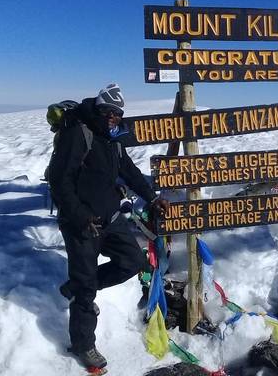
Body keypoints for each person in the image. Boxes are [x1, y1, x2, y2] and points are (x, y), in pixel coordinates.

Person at [48, 83, 171, 369]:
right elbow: (60, 180)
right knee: (86, 287)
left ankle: (76, 286)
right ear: (99, 109)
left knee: (133, 262)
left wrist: (152, 198)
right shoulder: (79, 133)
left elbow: (129, 171)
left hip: (111, 219)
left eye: (117, 114)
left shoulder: (113, 139)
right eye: (109, 113)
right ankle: (83, 345)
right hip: (82, 224)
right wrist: (79, 216)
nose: (114, 118)